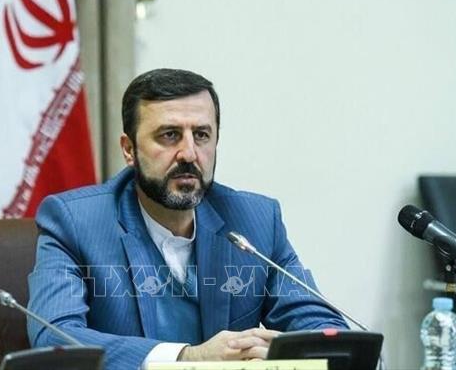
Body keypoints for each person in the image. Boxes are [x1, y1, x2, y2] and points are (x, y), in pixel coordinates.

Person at [27, 68, 348, 369]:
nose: (189, 153)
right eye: (169, 135)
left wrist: (287, 352)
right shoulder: (75, 222)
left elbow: (324, 328)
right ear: (129, 149)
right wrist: (187, 358)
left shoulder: (256, 220)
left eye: (202, 135)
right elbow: (53, 337)